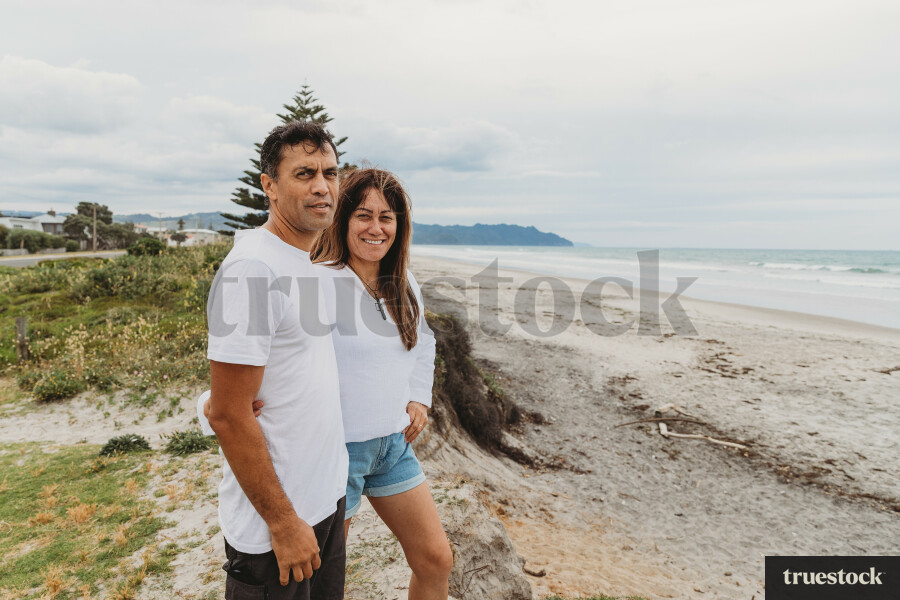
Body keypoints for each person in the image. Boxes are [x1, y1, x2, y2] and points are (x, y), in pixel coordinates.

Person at [202, 168, 454, 600]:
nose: (376, 228)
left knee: (436, 559)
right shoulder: (316, 279)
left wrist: (419, 397)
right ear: (342, 218)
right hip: (338, 453)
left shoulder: (405, 283)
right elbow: (271, 355)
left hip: (392, 446)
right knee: (324, 580)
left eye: (387, 217)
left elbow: (422, 343)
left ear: (400, 226)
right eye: (363, 215)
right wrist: (212, 404)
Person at [203, 120, 348, 600]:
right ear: (269, 185)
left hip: (323, 501)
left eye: (330, 171)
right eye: (305, 173)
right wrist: (283, 521)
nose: (322, 186)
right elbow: (228, 413)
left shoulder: (309, 261)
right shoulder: (253, 269)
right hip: (276, 526)